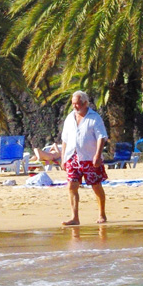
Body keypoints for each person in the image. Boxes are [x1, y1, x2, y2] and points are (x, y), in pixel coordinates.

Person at [59, 90, 108, 226]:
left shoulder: (94, 118)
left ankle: (102, 213)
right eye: (73, 104)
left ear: (85, 103)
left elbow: (101, 137)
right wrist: (63, 158)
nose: (75, 106)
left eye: (78, 104)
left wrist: (97, 155)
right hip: (72, 157)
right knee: (71, 186)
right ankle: (75, 217)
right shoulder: (69, 118)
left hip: (89, 157)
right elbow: (65, 139)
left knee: (96, 185)